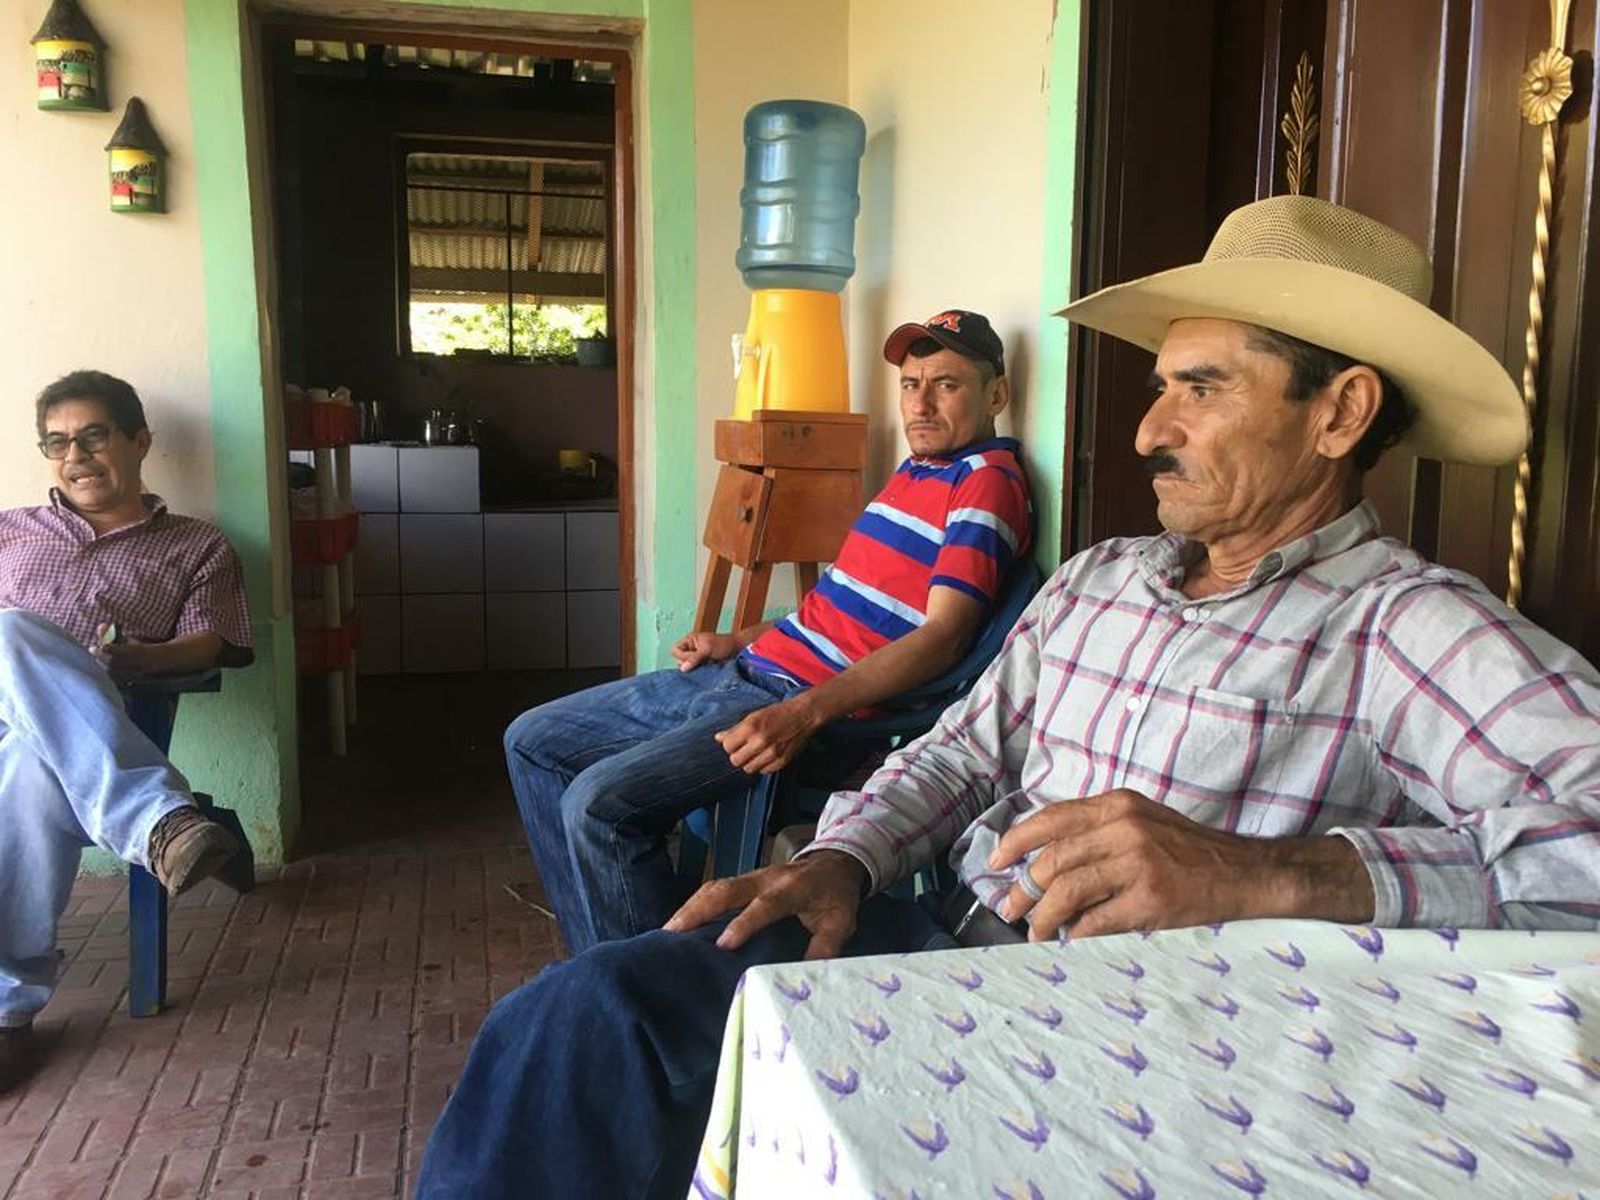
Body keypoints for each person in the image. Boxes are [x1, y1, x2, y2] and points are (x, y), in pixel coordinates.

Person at [417, 196, 1600, 1199]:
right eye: (1159, 387)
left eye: (1200, 390)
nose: (1148, 430)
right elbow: (961, 753)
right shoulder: (1100, 578)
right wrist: (843, 858)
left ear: (1338, 413)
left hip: (1152, 1041)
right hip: (938, 948)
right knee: (581, 1022)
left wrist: (1272, 875)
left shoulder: (1403, 626)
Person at [506, 309, 1033, 953]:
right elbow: (836, 607)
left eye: (946, 385)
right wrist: (737, 639)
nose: (920, 404)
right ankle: (600, 956)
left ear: (996, 394)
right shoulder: (915, 473)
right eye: (909, 384)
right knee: (531, 741)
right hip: (745, 671)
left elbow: (944, 636)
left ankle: (648, 984)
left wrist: (803, 713)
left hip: (788, 707)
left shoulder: (984, 484)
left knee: (597, 807)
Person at [0, 370, 252, 1094]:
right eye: (57, 442)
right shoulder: (9, 529)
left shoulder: (195, 545)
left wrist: (147, 657)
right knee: (10, 632)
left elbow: (214, 640)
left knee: (29, 767)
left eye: (93, 436)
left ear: (140, 441)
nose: (75, 456)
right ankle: (155, 820)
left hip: (65, 738)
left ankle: (5, 1015)